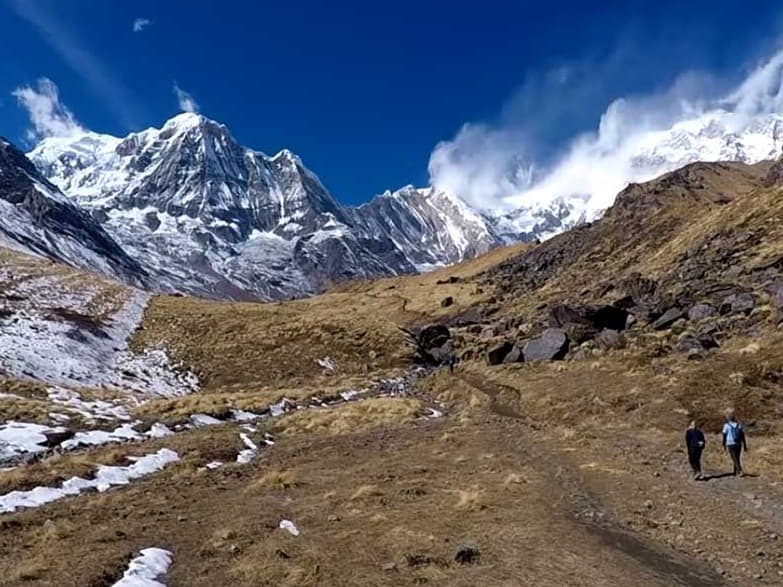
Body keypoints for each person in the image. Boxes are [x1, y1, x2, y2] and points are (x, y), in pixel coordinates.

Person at [722, 409, 748, 477]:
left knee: (734, 458)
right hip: (738, 443)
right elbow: (742, 436)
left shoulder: (726, 425)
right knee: (737, 457)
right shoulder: (738, 425)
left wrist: (724, 444)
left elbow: (724, 435)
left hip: (730, 443)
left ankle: (739, 470)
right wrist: (745, 445)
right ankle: (735, 472)